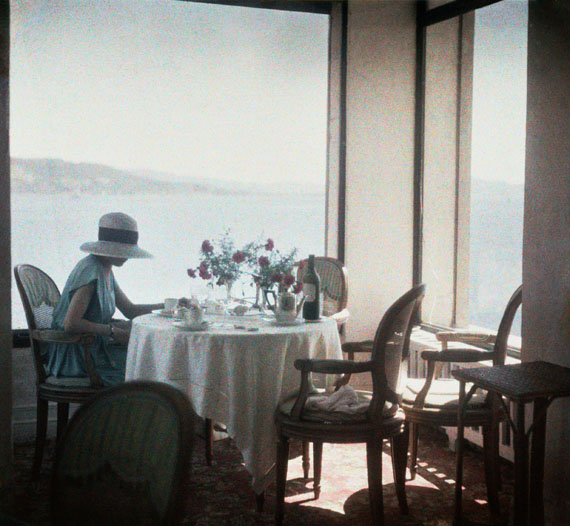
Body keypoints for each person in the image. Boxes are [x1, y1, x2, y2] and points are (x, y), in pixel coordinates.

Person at [46, 212, 164, 385]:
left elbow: (129, 310)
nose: (127, 257)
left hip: (93, 347)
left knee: (147, 364)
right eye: (123, 252)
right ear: (108, 248)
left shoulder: (104, 267)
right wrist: (113, 331)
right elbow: (71, 324)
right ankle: (124, 410)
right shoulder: (90, 271)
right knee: (146, 371)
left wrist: (166, 306)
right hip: (77, 355)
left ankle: (129, 410)